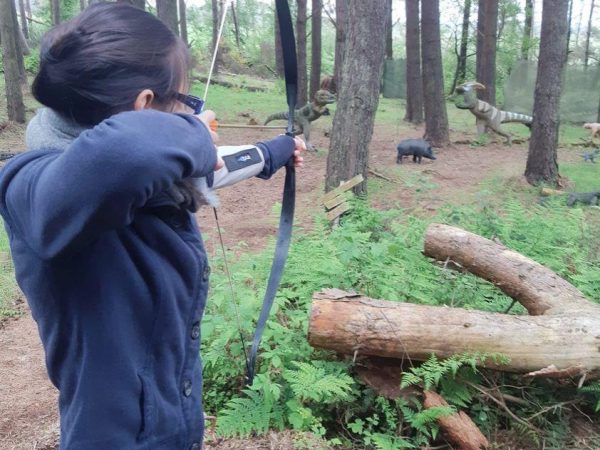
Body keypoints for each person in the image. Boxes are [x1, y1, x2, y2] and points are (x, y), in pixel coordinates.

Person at [0, 3, 304, 450]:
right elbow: (130, 153)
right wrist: (193, 134)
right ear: (143, 105)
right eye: (184, 103)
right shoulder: (30, 187)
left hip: (171, 423)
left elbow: (201, 169)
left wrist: (275, 151)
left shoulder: (138, 177)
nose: (189, 115)